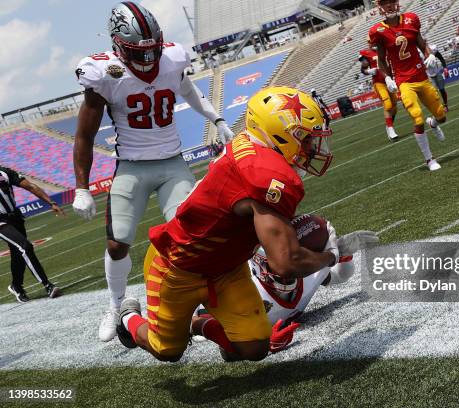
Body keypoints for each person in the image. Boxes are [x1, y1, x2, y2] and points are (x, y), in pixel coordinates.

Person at [115, 86, 378, 362]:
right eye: (306, 138)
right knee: (166, 349)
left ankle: (197, 324)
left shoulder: (253, 146)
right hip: (178, 265)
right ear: (280, 133)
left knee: (254, 348)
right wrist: (331, 256)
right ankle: (129, 318)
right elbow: (285, 264)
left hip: (227, 266)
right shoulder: (267, 175)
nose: (312, 147)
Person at [72, 2, 234, 342]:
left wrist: (217, 118)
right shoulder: (104, 73)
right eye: (138, 52)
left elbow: (189, 91)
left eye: (152, 51)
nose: (147, 59)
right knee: (118, 243)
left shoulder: (172, 58)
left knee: (193, 236)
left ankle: (201, 303)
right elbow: (85, 135)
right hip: (132, 166)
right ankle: (117, 305)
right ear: (118, 44)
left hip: (173, 162)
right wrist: (82, 188)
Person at [195, 247, 356, 352]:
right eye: (277, 265)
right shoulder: (244, 292)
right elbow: (224, 350)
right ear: (259, 266)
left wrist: (343, 257)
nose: (285, 271)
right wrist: (264, 345)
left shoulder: (305, 273)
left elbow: (338, 275)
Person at [369, 0, 448, 172]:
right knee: (417, 117)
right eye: (385, 3)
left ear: (396, 3)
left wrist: (429, 54)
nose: (389, 6)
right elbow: (381, 59)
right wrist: (388, 78)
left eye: (391, 2)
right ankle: (429, 159)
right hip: (404, 81)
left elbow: (421, 42)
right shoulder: (378, 31)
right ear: (380, 8)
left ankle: (433, 123)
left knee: (442, 116)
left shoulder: (411, 19)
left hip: (421, 76)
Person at [1, 166, 63, 303]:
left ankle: (16, 286)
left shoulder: (4, 172)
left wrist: (50, 202)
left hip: (15, 217)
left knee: (18, 254)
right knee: (25, 246)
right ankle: (48, 285)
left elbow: (29, 186)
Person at [359, 40, 400, 141]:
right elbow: (363, 68)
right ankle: (390, 129)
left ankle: (389, 126)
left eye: (375, 42)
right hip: (379, 82)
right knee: (388, 104)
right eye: (371, 42)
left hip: (389, 81)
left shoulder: (386, 50)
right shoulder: (367, 53)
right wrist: (368, 71)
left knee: (394, 107)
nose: (373, 44)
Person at [422, 43, 450, 109]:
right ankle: (438, 107)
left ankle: (445, 105)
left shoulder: (433, 50)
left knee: (442, 89)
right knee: (434, 92)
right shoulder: (420, 53)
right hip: (429, 75)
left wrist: (445, 68)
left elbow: (441, 59)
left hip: (437, 72)